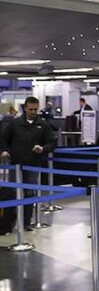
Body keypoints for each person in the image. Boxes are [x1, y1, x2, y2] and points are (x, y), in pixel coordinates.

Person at [0, 97, 56, 230]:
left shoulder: (43, 124)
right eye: (31, 109)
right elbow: (3, 138)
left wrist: (43, 149)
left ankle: (26, 222)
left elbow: (51, 143)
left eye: (36, 109)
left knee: (30, 192)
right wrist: (4, 151)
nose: (33, 112)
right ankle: (10, 221)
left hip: (33, 164)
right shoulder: (15, 123)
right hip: (15, 164)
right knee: (13, 192)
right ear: (25, 108)